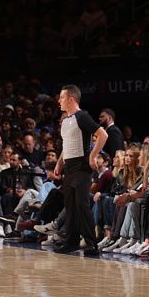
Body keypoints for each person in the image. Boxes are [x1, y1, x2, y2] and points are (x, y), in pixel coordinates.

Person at [54, 84, 108, 254]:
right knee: (70, 206)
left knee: (82, 205)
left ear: (71, 99)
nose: (59, 101)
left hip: (82, 166)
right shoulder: (65, 120)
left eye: (62, 98)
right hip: (69, 167)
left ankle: (91, 243)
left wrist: (92, 156)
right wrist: (59, 162)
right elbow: (67, 144)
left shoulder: (81, 116)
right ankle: (71, 241)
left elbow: (103, 135)